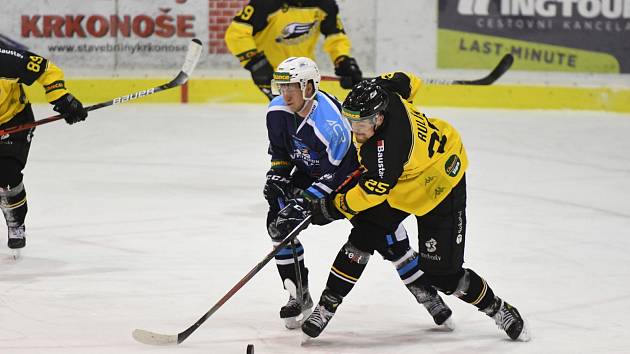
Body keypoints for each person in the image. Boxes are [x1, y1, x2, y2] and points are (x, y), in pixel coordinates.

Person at [300, 74, 531, 342]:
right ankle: (327, 306)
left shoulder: (385, 152)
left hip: (441, 185)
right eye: (350, 120)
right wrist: (371, 82)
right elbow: (409, 79)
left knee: (444, 277)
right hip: (405, 181)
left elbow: (369, 193)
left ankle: (498, 308)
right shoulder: (388, 93)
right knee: (363, 236)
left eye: (360, 123)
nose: (355, 130)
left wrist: (332, 207)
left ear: (379, 119)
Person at [265, 57, 453, 331]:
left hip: (346, 179)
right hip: (311, 174)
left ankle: (428, 295)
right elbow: (281, 151)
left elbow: (339, 171)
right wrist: (277, 176)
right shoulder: (276, 111)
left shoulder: (331, 124)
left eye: (292, 86)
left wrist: (307, 202)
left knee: (390, 242)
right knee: (278, 224)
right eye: (282, 87)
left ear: (308, 86)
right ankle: (298, 295)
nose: (286, 94)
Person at [1, 44, 88, 255]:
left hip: (12, 121)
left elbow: (45, 69)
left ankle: (16, 221)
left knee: (6, 175)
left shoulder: (6, 60)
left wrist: (61, 97)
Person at [225, 0, 363, 100]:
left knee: (308, 121)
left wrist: (342, 60)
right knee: (291, 118)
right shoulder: (265, 4)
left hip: (304, 73)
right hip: (272, 76)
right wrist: (256, 63)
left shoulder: (324, 4)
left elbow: (336, 36)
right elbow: (236, 34)